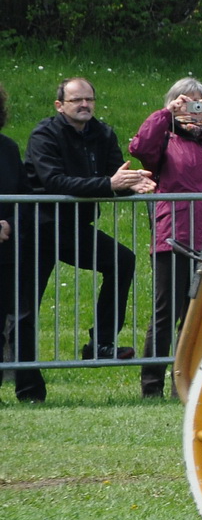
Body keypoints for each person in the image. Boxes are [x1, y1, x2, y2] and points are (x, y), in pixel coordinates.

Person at [129, 78, 202, 397]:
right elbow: (140, 148)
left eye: (199, 104)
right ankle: (151, 385)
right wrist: (165, 114)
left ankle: (186, 385)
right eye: (186, 103)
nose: (193, 111)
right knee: (165, 313)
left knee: (196, 315)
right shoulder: (164, 140)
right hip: (172, 236)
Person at [25, 78, 153, 362]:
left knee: (122, 260)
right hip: (38, 227)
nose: (84, 105)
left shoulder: (103, 133)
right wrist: (110, 183)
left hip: (75, 227)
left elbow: (114, 178)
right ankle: (18, 367)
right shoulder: (44, 135)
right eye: (76, 100)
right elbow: (54, 181)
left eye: (89, 99)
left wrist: (132, 182)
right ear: (59, 105)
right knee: (25, 301)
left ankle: (101, 344)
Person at [0, 82, 45, 402]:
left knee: (20, 319)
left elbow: (25, 197)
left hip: (8, 250)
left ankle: (29, 392)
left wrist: (10, 225)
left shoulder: (8, 148)